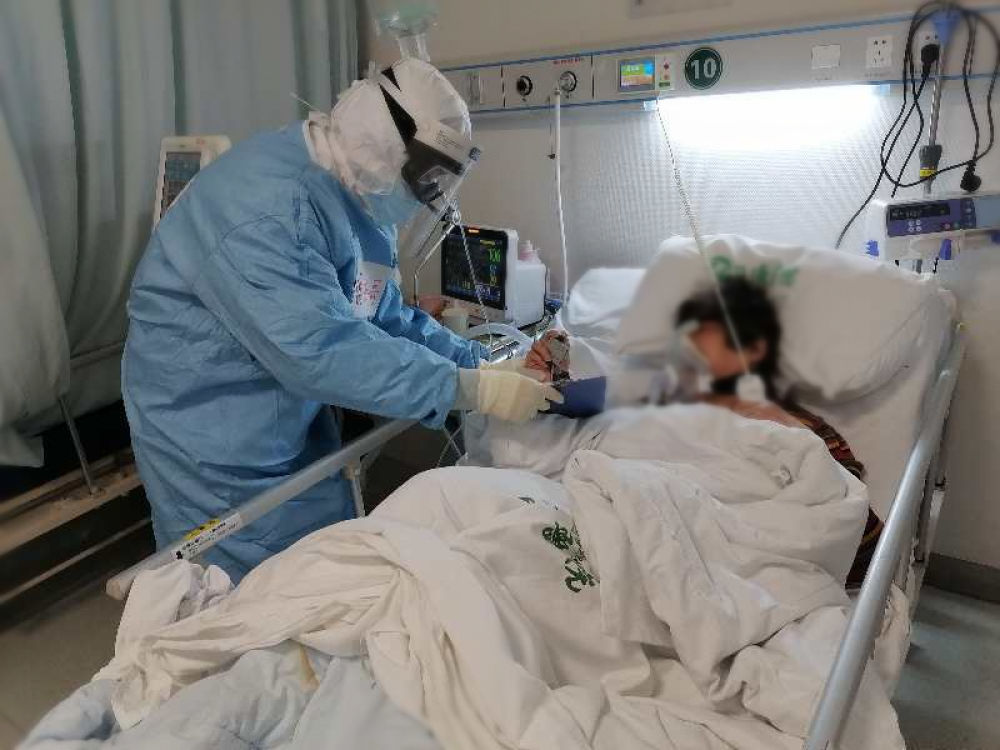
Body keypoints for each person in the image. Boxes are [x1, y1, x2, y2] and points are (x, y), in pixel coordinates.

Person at [123, 58, 560, 581]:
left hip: (287, 415)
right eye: (428, 176)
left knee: (321, 565)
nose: (433, 195)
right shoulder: (264, 211)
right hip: (210, 435)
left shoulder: (361, 198)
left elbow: (380, 316)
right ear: (383, 145)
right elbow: (322, 351)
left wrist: (479, 362)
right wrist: (469, 389)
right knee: (239, 589)